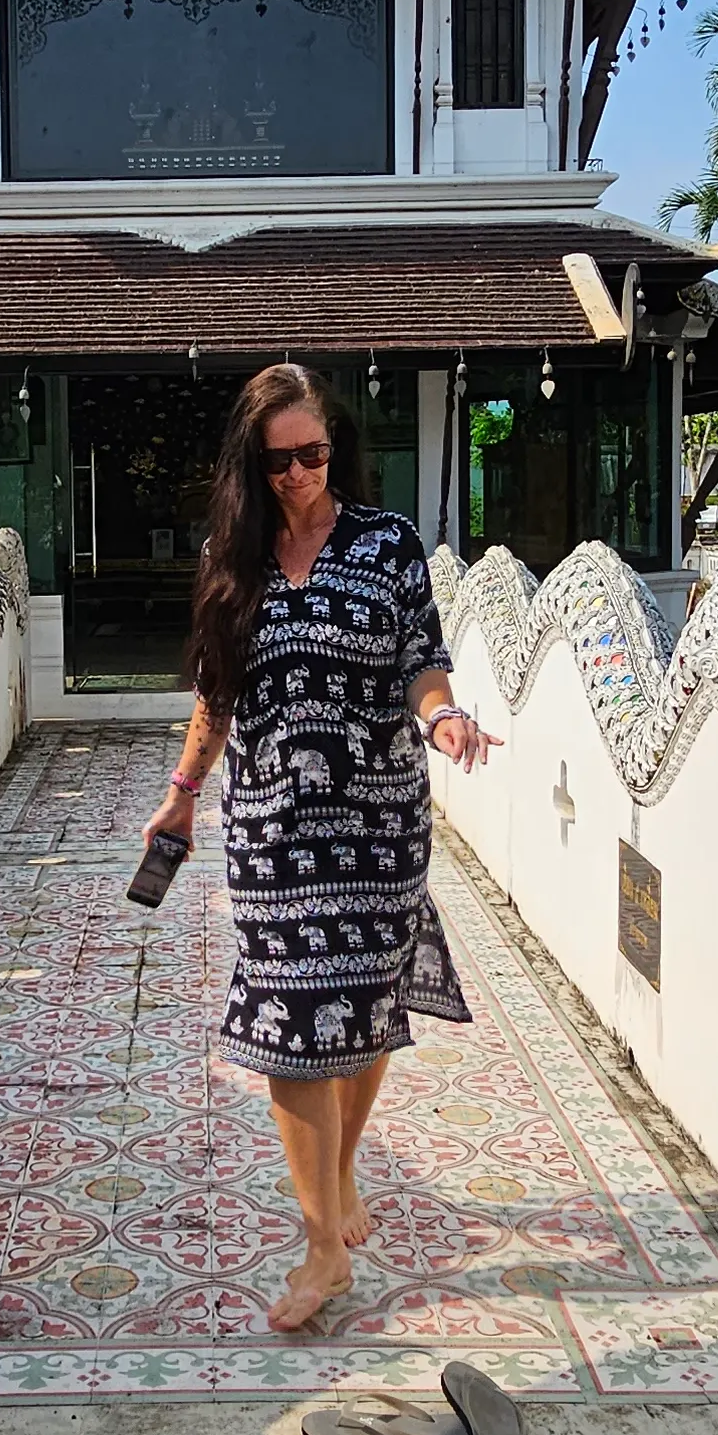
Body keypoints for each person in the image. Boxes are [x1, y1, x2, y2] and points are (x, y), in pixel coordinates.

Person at [141, 360, 499, 1332]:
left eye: (313, 455)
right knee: (292, 1032)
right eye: (278, 460)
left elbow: (420, 658)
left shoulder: (385, 544)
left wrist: (441, 719)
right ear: (248, 466)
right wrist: (180, 800)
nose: (298, 473)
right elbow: (216, 694)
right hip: (268, 826)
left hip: (378, 820)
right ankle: (321, 1248)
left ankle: (336, 1182)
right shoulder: (233, 554)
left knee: (364, 1005)